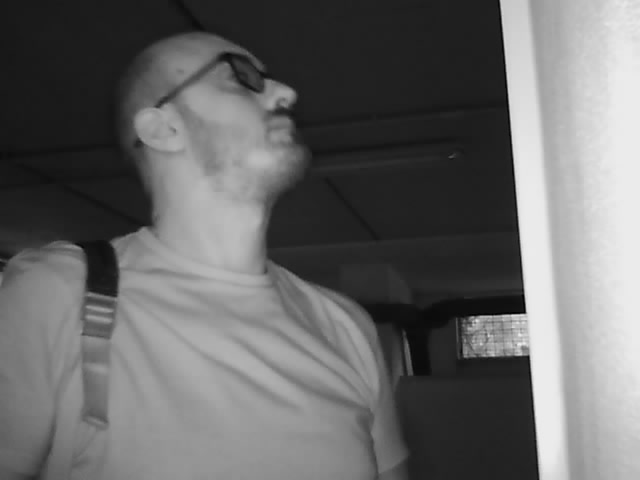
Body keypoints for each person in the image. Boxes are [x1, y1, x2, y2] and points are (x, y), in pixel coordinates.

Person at [0, 32, 409, 480]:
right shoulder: (57, 294)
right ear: (164, 129)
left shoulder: (347, 326)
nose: (286, 93)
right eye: (241, 76)